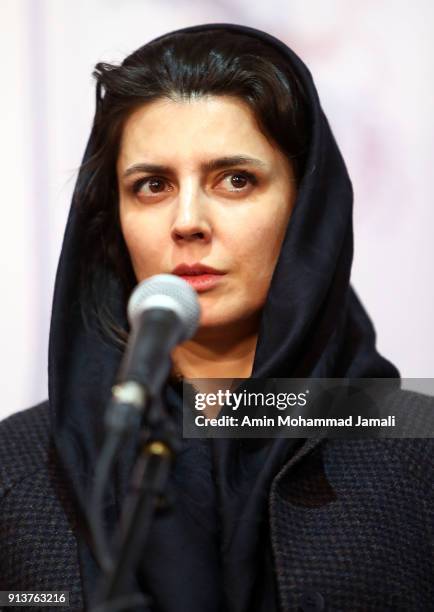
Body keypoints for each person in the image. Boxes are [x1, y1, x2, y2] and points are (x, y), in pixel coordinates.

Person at [0, 22, 433, 612]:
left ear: (306, 206)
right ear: (112, 218)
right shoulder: (19, 466)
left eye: (235, 180)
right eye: (152, 185)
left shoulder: (417, 445)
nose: (187, 222)